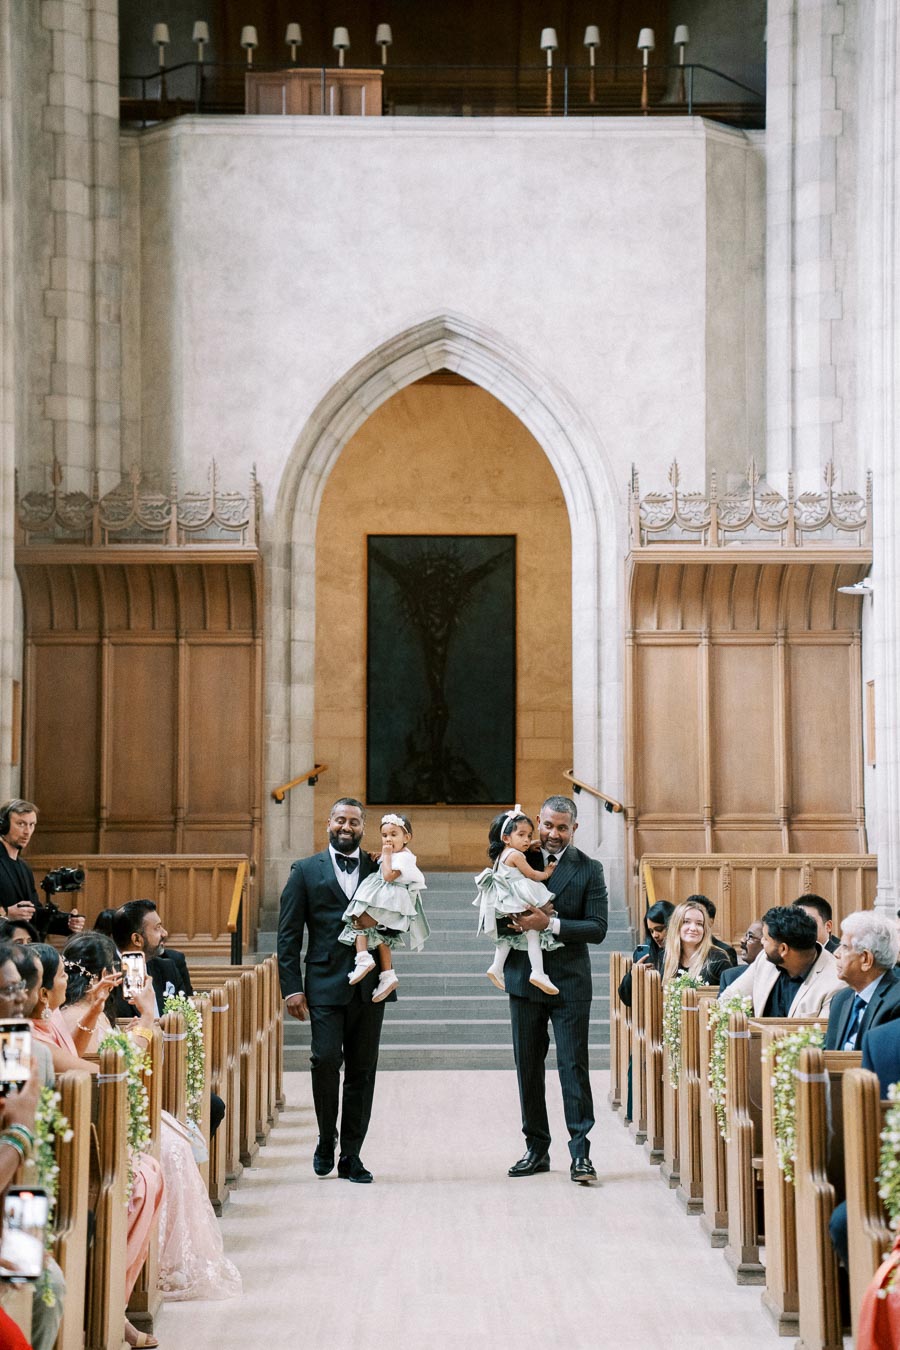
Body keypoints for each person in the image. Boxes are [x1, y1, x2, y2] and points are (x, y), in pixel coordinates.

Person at [61, 933, 240, 1312]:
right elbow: (117, 1066)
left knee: (174, 1140)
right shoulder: (77, 1015)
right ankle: (160, 1265)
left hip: (108, 1113)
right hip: (101, 1123)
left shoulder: (84, 1012)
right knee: (172, 1149)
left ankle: (162, 1261)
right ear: (107, 974)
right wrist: (145, 1017)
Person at [277, 797, 390, 1184]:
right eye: (340, 820)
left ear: (363, 827)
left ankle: (352, 1156)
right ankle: (327, 1137)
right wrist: (290, 988)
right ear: (328, 822)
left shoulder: (378, 867)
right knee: (325, 1060)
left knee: (362, 1070)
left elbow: (400, 909)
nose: (347, 827)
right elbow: (289, 934)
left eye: (354, 822)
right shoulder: (305, 871)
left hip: (369, 984)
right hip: (324, 982)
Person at [502, 795, 608, 1186]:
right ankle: (536, 1149)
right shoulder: (513, 855)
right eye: (547, 825)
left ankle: (581, 1154)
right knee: (527, 1065)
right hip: (524, 977)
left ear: (574, 829)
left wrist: (549, 924)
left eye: (562, 827)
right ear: (537, 822)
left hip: (569, 982)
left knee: (573, 1066)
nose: (552, 833)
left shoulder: (589, 869)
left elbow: (598, 928)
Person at [111, 900, 225, 1139]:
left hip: (172, 1067)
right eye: (158, 928)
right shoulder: (110, 976)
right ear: (137, 939)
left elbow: (189, 1017)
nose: (164, 933)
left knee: (213, 1106)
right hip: (132, 1071)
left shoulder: (167, 968)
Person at [339, 812, 430, 1002]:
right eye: (385, 835)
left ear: (407, 838)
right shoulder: (397, 854)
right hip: (385, 895)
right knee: (379, 934)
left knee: (359, 918)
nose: (388, 839)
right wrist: (382, 855)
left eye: (393, 835)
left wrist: (386, 855)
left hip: (391, 898)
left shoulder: (403, 857)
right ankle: (388, 974)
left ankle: (363, 957)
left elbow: (389, 875)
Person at [474, 806, 560, 996]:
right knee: (533, 934)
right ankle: (537, 972)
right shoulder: (517, 855)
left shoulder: (502, 854)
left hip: (504, 901)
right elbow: (531, 874)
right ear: (506, 838)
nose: (527, 840)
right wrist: (547, 872)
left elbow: (517, 852)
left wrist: (529, 845)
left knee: (508, 937)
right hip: (518, 899)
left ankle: (496, 966)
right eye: (522, 835)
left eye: (529, 836)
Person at [716, 904, 843, 1016]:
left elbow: (822, 1037)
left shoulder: (835, 982)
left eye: (765, 939)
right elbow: (728, 1000)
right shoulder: (765, 959)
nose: (761, 941)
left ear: (783, 949)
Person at [0, 799, 85, 939]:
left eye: (31, 825)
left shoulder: (24, 867)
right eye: (21, 824)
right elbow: (12, 913)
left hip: (23, 947)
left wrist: (67, 922)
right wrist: (6, 914)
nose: (27, 831)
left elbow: (35, 915)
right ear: (4, 826)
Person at [825, 912, 900, 1050]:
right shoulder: (840, 999)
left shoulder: (896, 1003)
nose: (837, 953)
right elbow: (829, 1053)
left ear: (866, 959)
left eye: (845, 947)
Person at [617, 900, 674, 1008]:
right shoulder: (643, 952)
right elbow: (626, 998)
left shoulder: (685, 951)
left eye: (659, 929)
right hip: (649, 1012)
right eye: (651, 931)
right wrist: (634, 974)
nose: (655, 935)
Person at [661, 900, 732, 987]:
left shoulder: (718, 959)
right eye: (686, 921)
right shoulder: (668, 957)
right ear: (676, 926)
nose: (693, 928)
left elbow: (729, 995)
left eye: (699, 924)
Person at [686, 894, 737, 965]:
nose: (692, 927)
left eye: (699, 921)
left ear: (711, 922)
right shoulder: (674, 951)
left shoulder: (725, 952)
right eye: (687, 921)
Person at [719, 919, 764, 992]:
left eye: (750, 936)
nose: (742, 940)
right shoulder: (730, 977)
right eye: (746, 935)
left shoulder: (779, 977)